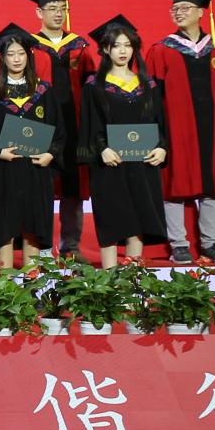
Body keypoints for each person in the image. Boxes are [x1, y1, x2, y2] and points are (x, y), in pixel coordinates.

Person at [148, 0, 215, 263]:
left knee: (211, 185)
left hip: (212, 128)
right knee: (175, 182)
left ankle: (211, 243)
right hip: (176, 129)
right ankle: (179, 244)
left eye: (185, 8)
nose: (178, 12)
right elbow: (154, 97)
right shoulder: (162, 50)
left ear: (201, 12)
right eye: (174, 9)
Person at [82, 15, 170, 267]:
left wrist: (162, 148)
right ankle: (109, 278)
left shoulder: (147, 84)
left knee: (138, 220)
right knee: (111, 219)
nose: (123, 51)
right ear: (105, 49)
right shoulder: (95, 86)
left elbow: (158, 122)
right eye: (116, 45)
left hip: (143, 163)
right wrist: (102, 149)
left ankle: (132, 279)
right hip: (110, 163)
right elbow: (90, 124)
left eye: (128, 45)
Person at [0, 25, 60, 270]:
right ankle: (6, 284)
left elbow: (58, 130)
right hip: (3, 171)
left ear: (28, 56)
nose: (16, 59)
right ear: (2, 58)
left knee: (34, 225)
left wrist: (50, 153)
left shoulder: (43, 91)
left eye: (21, 53)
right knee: (5, 225)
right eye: (10, 54)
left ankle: (32, 283)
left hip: (36, 169)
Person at [22, 0, 96, 257]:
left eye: (62, 8)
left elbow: (91, 88)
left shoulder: (80, 46)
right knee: (40, 184)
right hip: (40, 124)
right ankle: (39, 246)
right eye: (52, 8)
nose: (58, 13)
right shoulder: (29, 47)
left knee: (72, 187)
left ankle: (71, 245)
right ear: (39, 12)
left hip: (74, 125)